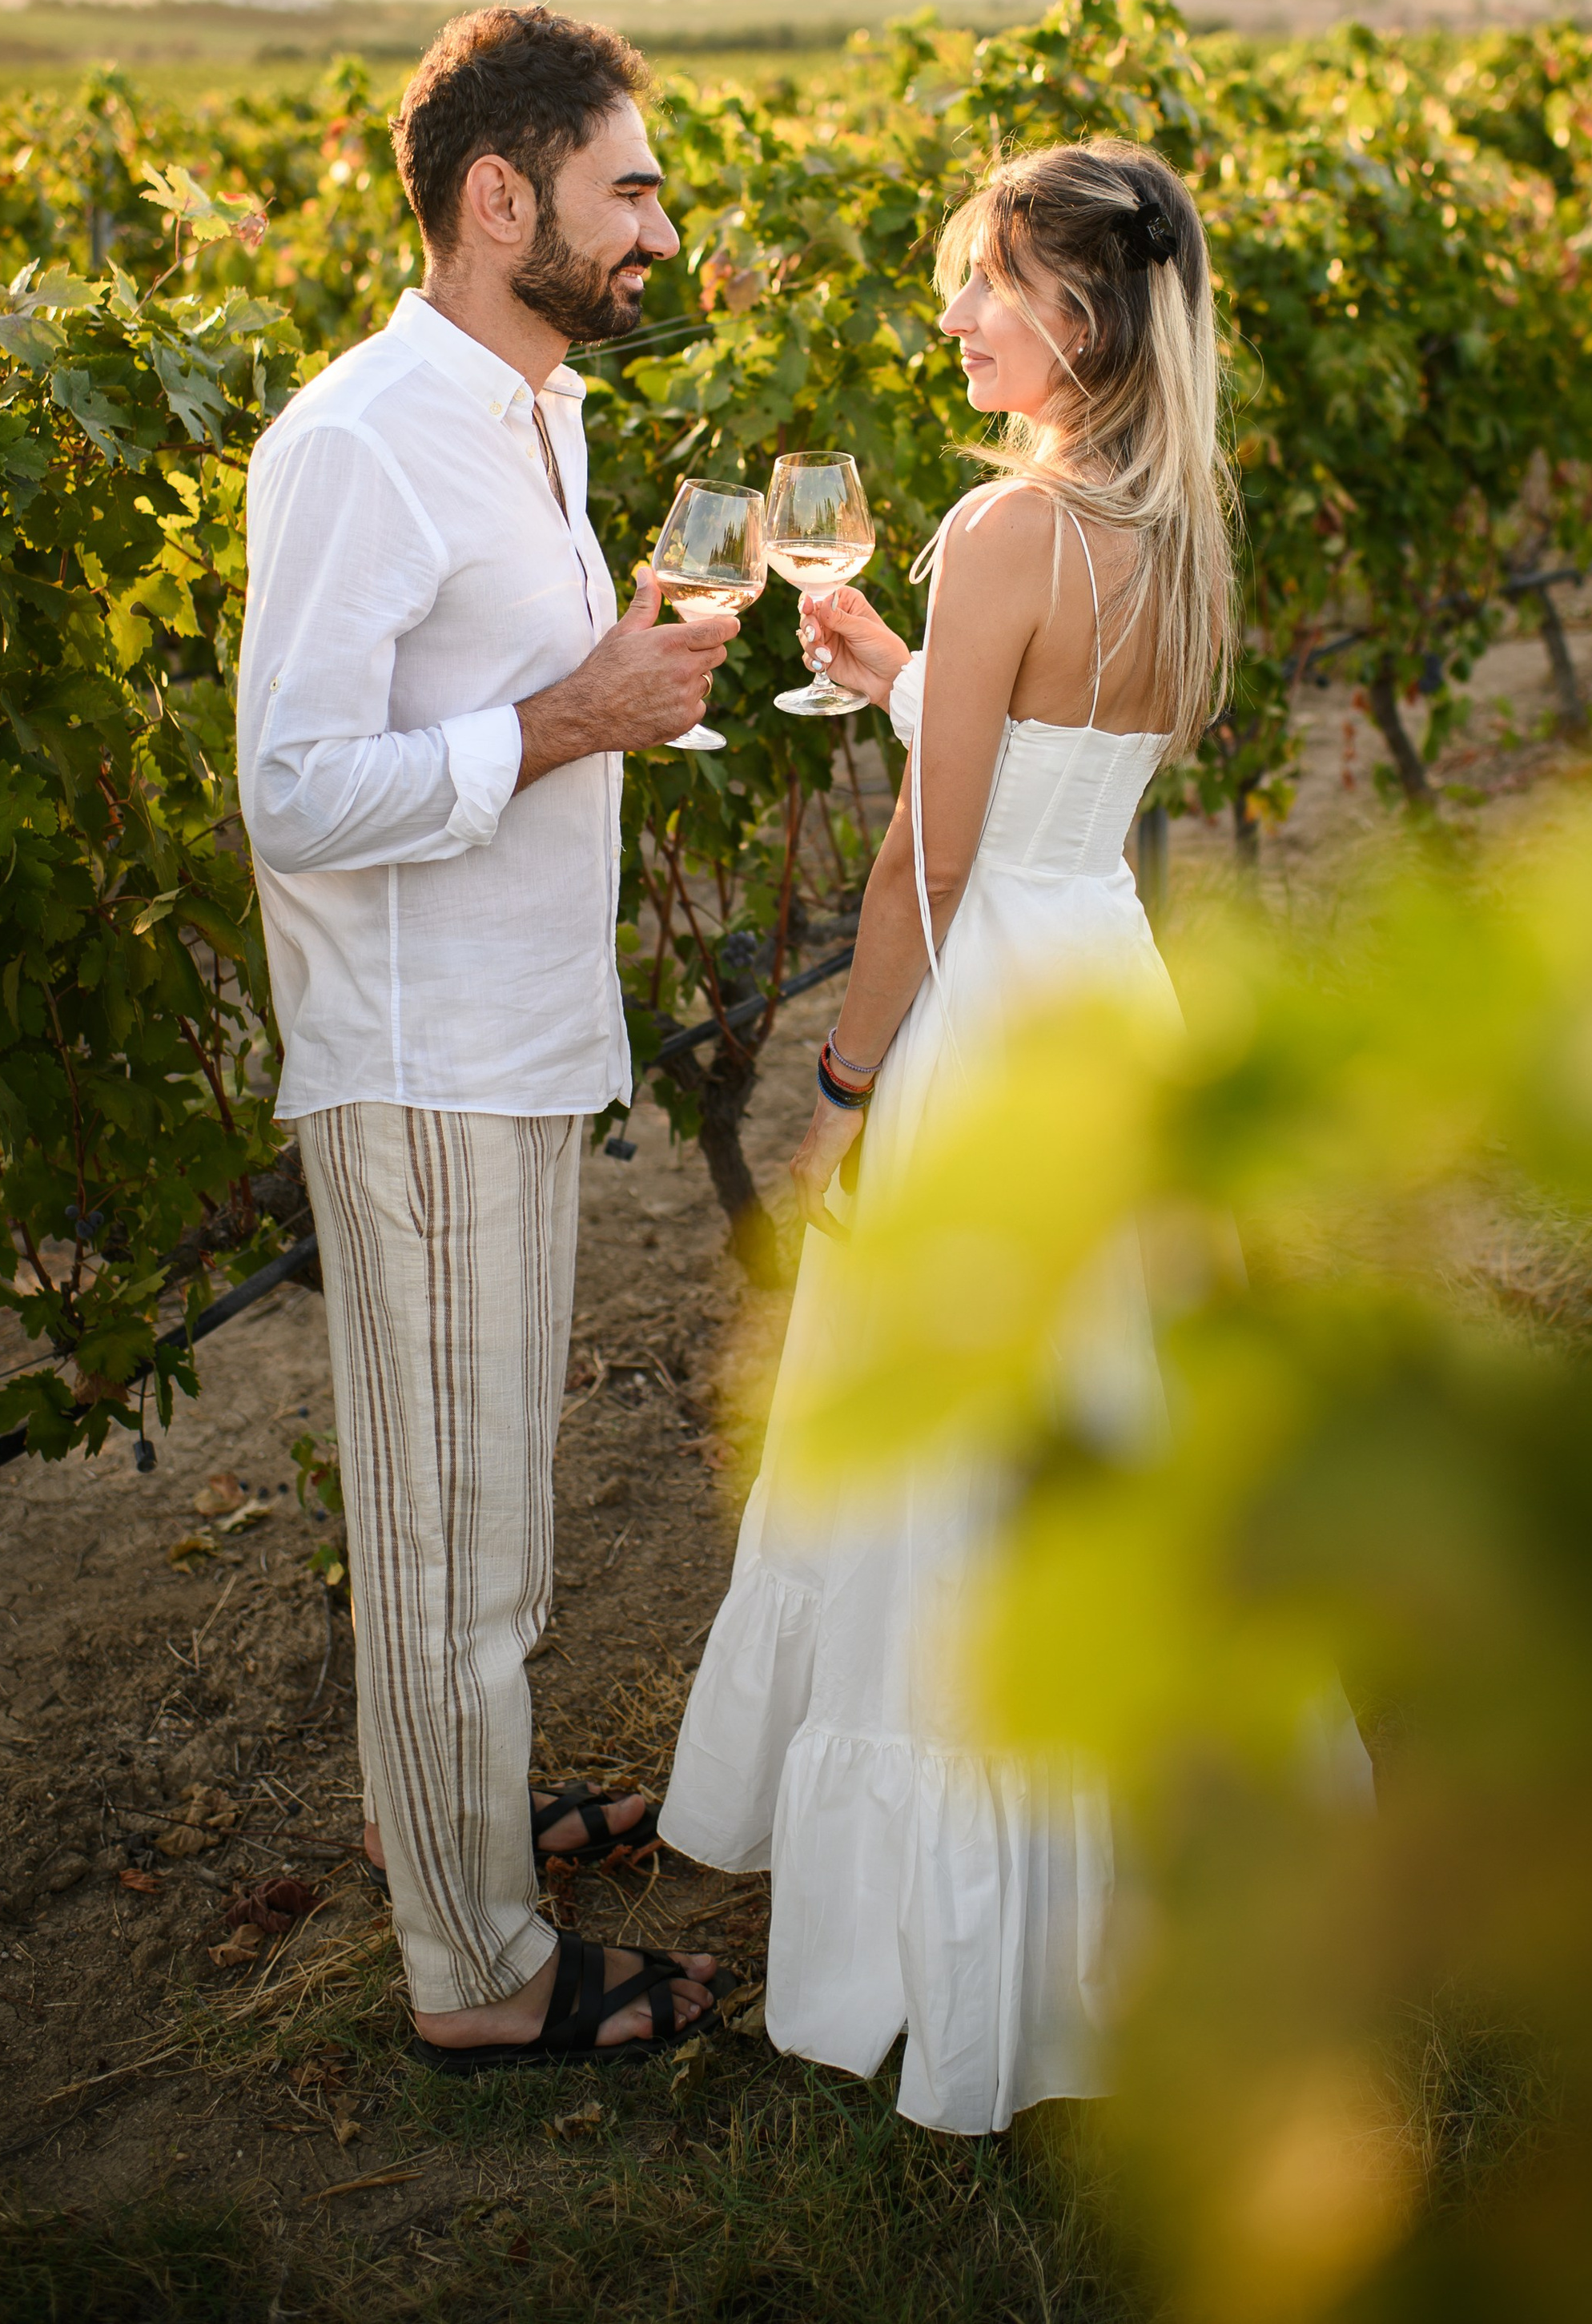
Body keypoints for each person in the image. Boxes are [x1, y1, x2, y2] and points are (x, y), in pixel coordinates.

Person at [659, 138, 1238, 2131]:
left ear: (1073, 313)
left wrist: (839, 1090)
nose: (951, 316)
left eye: (983, 284)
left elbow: (927, 867)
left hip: (988, 1025)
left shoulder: (1005, 529)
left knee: (953, 1475)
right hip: (1103, 996)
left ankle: (962, 1948)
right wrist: (912, 682)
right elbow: (1054, 790)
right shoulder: (1167, 526)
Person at [237, 6, 738, 2071]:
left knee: (483, 1512)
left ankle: (436, 1821)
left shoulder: (541, 411)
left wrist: (620, 678)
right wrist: (569, 719)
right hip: (422, 1055)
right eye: (629, 188)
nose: (659, 228)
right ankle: (477, 1971)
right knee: (453, 1546)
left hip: (526, 1038)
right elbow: (291, 788)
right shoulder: (356, 437)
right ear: (497, 199)